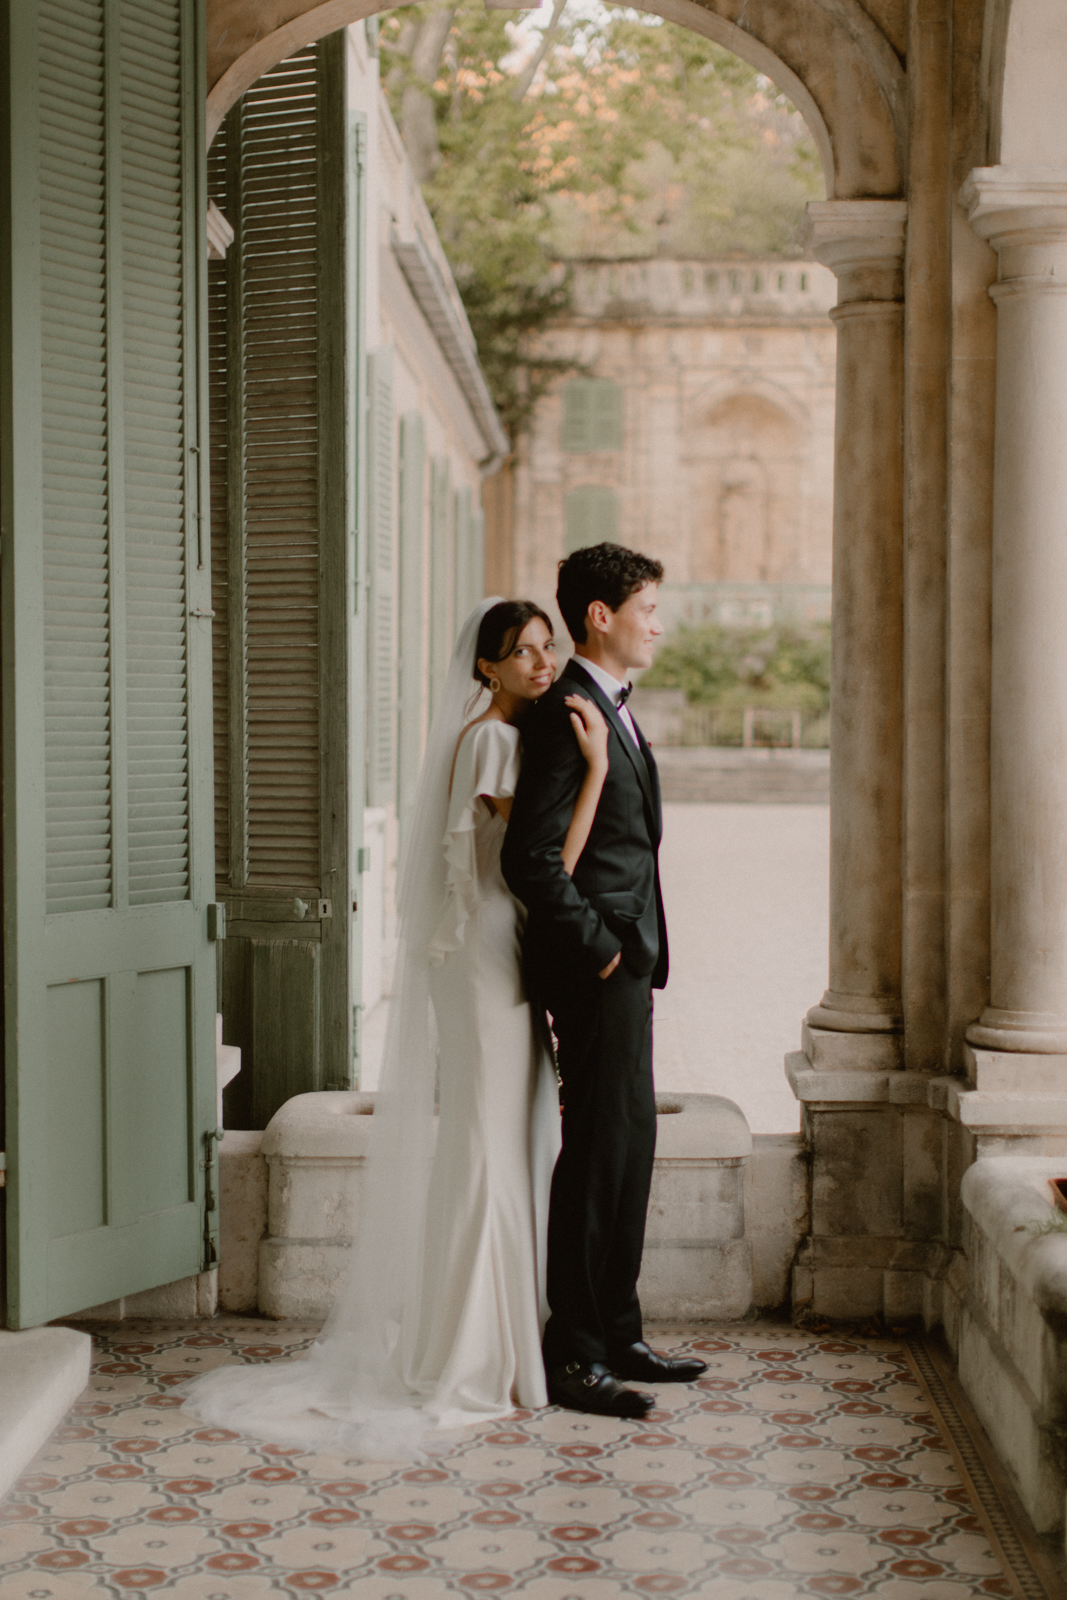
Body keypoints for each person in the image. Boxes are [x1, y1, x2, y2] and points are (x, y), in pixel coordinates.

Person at [181, 597, 610, 1454]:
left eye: (544, 648)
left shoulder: (479, 734)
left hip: (485, 946)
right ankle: (476, 1357)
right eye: (519, 653)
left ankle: (485, 1340)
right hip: (489, 947)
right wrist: (595, 773)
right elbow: (542, 864)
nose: (538, 663)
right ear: (486, 666)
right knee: (492, 1144)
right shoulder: (492, 740)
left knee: (500, 1138)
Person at [501, 543, 708, 1420]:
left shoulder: (608, 706)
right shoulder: (565, 713)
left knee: (628, 1148)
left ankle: (618, 1330)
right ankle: (574, 1355)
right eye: (647, 607)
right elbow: (530, 859)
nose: (657, 623)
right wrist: (602, 948)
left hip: (628, 964)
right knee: (592, 1157)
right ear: (601, 614)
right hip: (595, 970)